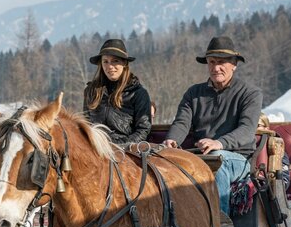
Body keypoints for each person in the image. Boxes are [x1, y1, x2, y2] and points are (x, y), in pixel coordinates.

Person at [163, 36, 262, 217]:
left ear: (234, 65)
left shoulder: (250, 93)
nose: (216, 68)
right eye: (212, 62)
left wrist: (219, 143)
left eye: (222, 62)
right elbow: (182, 121)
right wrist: (172, 140)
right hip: (199, 155)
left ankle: (220, 223)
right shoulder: (194, 93)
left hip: (238, 158)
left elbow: (247, 131)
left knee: (216, 160)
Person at [83, 39, 152, 145]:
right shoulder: (91, 91)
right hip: (95, 150)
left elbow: (143, 130)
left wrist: (120, 147)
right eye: (105, 61)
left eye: (115, 61)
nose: (110, 66)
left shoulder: (138, 94)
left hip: (126, 153)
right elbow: (85, 125)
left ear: (124, 63)